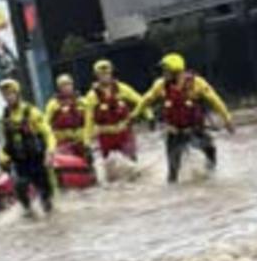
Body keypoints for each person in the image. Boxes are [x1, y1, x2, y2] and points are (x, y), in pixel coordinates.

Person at [133, 53, 235, 183]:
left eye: (166, 70)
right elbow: (146, 100)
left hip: (195, 130)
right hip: (174, 133)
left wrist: (227, 119)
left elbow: (216, 101)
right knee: (173, 173)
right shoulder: (160, 85)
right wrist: (134, 115)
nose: (163, 73)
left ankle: (211, 179)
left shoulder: (197, 83)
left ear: (175, 71)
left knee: (211, 151)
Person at [0, 79, 56, 216]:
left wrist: (50, 151)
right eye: (5, 95)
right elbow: (6, 143)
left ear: (17, 94)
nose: (8, 97)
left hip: (37, 160)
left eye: (11, 93)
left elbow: (48, 133)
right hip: (20, 162)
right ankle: (29, 212)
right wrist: (3, 157)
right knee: (20, 186)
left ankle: (49, 213)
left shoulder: (32, 112)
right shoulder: (5, 116)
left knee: (45, 196)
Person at [83, 59, 147, 164]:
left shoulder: (122, 88)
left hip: (124, 134)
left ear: (111, 72)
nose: (105, 76)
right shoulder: (91, 96)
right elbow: (88, 121)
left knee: (132, 162)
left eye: (107, 73)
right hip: (106, 137)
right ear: (96, 75)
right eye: (101, 74)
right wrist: (87, 143)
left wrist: (148, 115)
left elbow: (141, 101)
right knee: (110, 167)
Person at [45, 74, 89, 158]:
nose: (67, 87)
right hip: (63, 145)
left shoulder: (82, 102)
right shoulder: (53, 104)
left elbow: (91, 120)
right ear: (59, 88)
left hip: (82, 143)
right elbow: (46, 125)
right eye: (63, 85)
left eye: (69, 84)